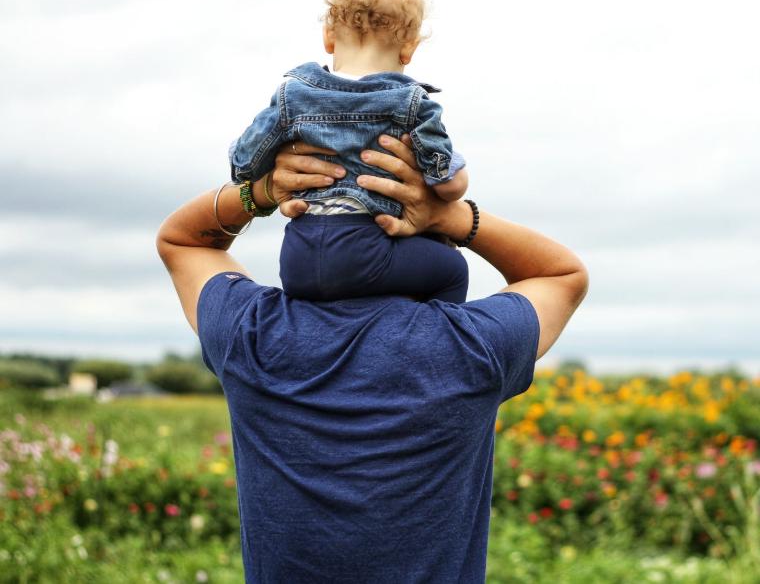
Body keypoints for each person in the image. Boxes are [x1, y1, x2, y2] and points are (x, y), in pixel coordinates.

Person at [156, 134, 588, 583]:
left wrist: (261, 191)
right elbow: (560, 274)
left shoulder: (254, 335)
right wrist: (453, 216)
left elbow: (184, 242)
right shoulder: (471, 347)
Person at [229, 0, 470, 303]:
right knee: (452, 269)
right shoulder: (412, 102)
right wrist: (456, 177)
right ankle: (437, 343)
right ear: (409, 50)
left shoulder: (292, 95)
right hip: (368, 250)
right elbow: (446, 184)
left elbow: (244, 164)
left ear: (328, 37)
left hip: (298, 257)